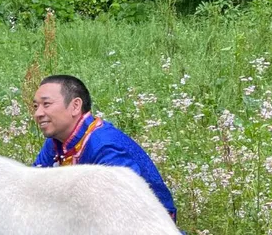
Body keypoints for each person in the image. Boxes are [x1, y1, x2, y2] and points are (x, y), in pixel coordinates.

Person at [31, 74, 178, 221]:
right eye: (35, 106)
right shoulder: (56, 140)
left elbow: (125, 208)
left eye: (47, 104)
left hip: (148, 229)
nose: (38, 114)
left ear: (75, 106)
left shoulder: (104, 145)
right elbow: (34, 187)